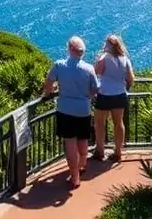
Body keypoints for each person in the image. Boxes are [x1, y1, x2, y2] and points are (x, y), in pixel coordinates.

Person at [43, 35, 98, 188]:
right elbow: (94, 90)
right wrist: (87, 95)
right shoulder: (89, 68)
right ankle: (83, 164)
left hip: (65, 110)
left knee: (70, 143)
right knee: (83, 140)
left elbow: (48, 83)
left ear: (69, 49)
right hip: (83, 110)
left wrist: (48, 94)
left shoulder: (59, 65)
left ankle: (75, 177)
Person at [93, 34, 135, 162]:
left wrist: (100, 58)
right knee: (118, 123)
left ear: (109, 45)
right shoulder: (125, 58)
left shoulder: (104, 57)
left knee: (99, 123)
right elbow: (130, 78)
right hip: (120, 95)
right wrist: (124, 89)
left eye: (106, 43)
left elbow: (96, 72)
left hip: (104, 94)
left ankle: (100, 151)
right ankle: (118, 151)